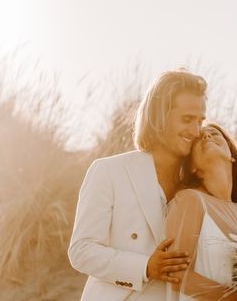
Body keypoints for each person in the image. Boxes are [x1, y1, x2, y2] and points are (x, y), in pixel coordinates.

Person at [68, 70, 207, 301]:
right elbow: (81, 250)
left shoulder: (199, 185)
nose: (196, 131)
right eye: (186, 119)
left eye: (200, 121)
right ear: (160, 116)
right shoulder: (109, 171)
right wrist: (144, 267)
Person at [165, 123, 237, 301]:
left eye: (214, 134)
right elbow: (177, 275)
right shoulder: (190, 201)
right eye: (199, 138)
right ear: (192, 166)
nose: (207, 137)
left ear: (231, 155)